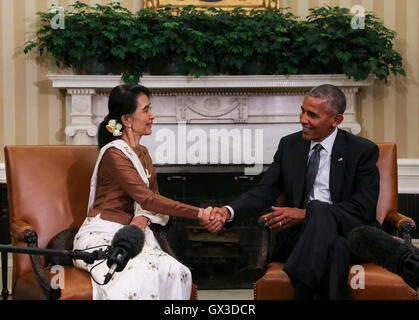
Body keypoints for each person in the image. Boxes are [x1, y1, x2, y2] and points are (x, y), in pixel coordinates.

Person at [207, 84, 381, 300]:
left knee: (333, 237)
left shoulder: (362, 151)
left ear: (336, 121)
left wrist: (306, 214)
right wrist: (228, 210)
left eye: (312, 115)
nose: (302, 119)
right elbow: (265, 190)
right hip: (300, 237)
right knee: (335, 248)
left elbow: (362, 209)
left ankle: (303, 290)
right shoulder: (290, 146)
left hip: (349, 234)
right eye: (302, 110)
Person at [73, 84, 214, 300]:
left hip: (134, 236)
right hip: (103, 236)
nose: (152, 115)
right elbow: (148, 199)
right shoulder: (114, 154)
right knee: (142, 274)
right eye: (146, 110)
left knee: (176, 271)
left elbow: (148, 201)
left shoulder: (143, 153)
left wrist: (141, 218)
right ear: (127, 120)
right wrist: (199, 213)